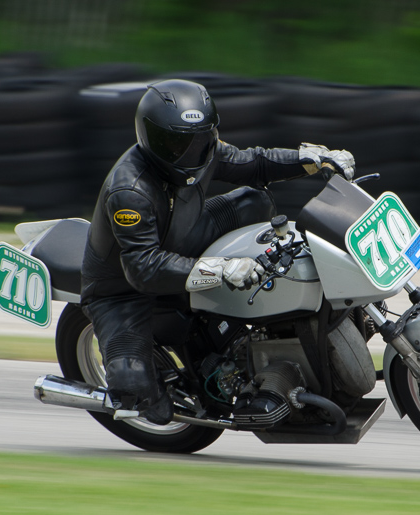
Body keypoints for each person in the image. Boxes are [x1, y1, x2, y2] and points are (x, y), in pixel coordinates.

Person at [80, 79, 355, 424]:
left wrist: (310, 160)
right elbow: (143, 268)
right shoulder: (130, 191)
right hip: (123, 289)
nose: (189, 153)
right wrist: (221, 268)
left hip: (183, 237)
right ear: (149, 136)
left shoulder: (205, 154)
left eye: (199, 140)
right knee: (143, 399)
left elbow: (253, 163)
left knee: (254, 199)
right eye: (175, 142)